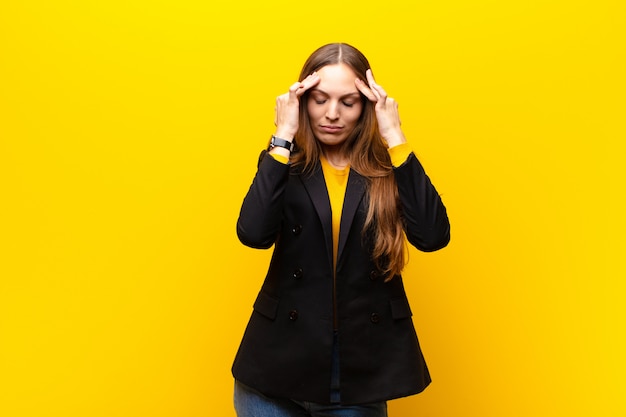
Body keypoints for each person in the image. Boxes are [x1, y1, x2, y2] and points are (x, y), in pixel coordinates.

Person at [232, 43, 450, 417]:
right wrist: (283, 134)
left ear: (366, 106)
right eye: (319, 99)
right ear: (302, 100)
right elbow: (253, 233)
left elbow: (432, 236)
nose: (332, 114)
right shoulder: (285, 161)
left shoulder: (388, 168)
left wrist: (394, 135)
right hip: (274, 368)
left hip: (357, 370)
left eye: (348, 102)